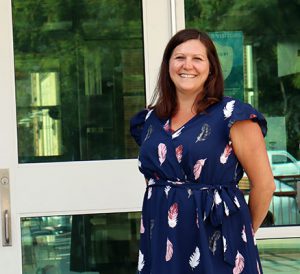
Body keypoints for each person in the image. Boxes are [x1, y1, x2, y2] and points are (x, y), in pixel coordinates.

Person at [130, 29, 275, 274]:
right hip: (164, 240)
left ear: (211, 68)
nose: (188, 65)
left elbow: (264, 185)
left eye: (197, 58)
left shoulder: (233, 116)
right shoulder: (150, 120)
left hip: (217, 240)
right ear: (168, 65)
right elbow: (155, 180)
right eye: (179, 58)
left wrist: (241, 232)